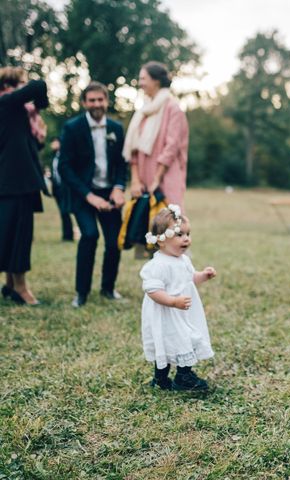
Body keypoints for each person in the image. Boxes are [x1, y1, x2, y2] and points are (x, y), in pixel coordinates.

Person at [58, 81, 127, 307]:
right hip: (83, 194)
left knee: (114, 240)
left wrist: (119, 187)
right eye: (92, 100)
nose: (97, 104)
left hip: (110, 193)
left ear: (106, 101)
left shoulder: (116, 128)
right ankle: (81, 292)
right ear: (84, 103)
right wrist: (89, 196)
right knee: (89, 236)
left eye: (100, 99)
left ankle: (108, 288)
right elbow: (64, 167)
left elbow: (121, 164)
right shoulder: (72, 128)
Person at [141, 205, 216, 391]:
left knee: (186, 339)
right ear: (161, 241)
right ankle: (162, 379)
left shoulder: (183, 260)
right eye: (179, 234)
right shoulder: (158, 265)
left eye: (188, 234)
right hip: (166, 314)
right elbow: (152, 290)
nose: (186, 239)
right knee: (166, 343)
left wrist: (203, 276)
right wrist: (172, 301)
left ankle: (183, 374)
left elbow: (189, 279)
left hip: (182, 313)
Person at [0, 67, 48, 305]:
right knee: (18, 235)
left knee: (11, 234)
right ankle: (21, 288)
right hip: (14, 182)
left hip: (17, 182)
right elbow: (39, 86)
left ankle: (10, 284)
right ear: (10, 85)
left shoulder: (14, 111)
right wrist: (39, 103)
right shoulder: (8, 102)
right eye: (22, 83)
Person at [124, 61, 189, 210]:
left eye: (143, 79)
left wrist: (156, 179)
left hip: (166, 177)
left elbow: (171, 147)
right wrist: (135, 180)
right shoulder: (143, 111)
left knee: (172, 225)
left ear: (156, 81)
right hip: (142, 179)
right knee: (144, 228)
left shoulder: (173, 109)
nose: (140, 83)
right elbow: (133, 148)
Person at [50, 137, 74, 242]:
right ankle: (66, 235)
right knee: (62, 212)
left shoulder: (65, 155)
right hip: (57, 188)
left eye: (55, 142)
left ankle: (68, 235)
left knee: (65, 212)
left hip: (65, 188)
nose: (53, 145)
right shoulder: (54, 157)